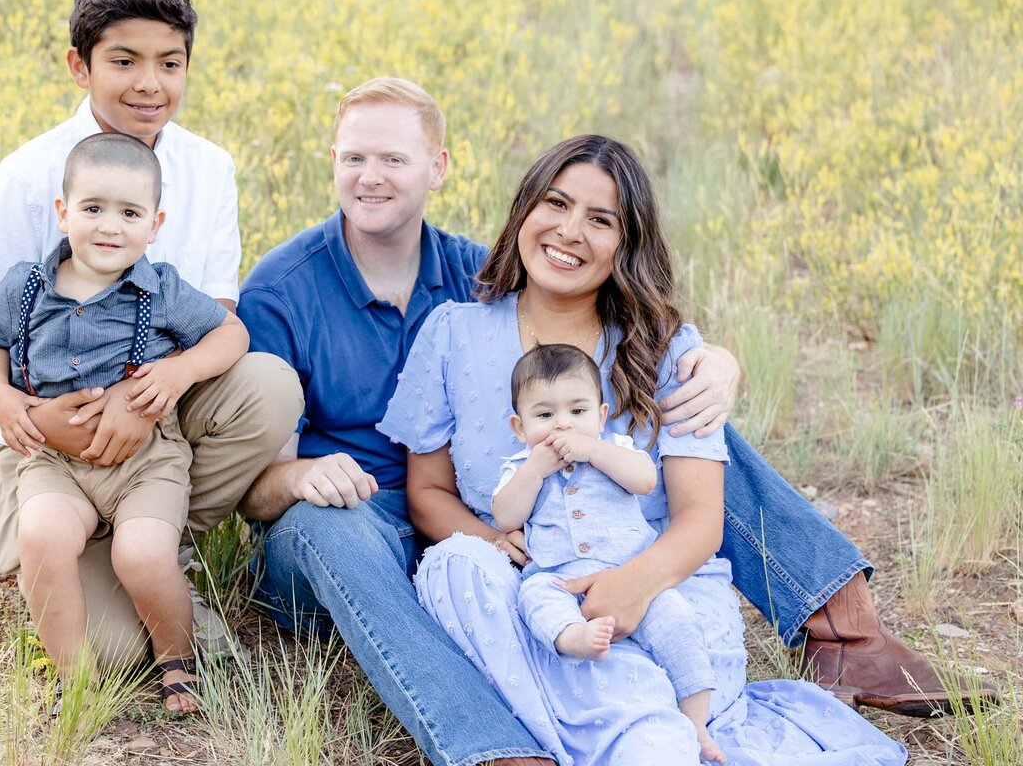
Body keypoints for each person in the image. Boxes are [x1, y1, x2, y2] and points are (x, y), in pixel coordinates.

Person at [239, 77, 978, 766]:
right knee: (399, 548)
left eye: (394, 158)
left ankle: (837, 621)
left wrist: (717, 363)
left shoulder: (476, 272)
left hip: (538, 530)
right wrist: (308, 477)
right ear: (330, 160)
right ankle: (496, 744)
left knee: (680, 402)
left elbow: (614, 329)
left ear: (437, 168)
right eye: (357, 157)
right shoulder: (293, 289)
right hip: (373, 522)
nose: (373, 176)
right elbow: (255, 482)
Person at [379, 134, 907, 764]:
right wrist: (499, 546)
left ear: (626, 245)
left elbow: (701, 520)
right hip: (532, 589)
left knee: (655, 657)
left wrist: (631, 586)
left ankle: (642, 732)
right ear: (524, 210)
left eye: (600, 220)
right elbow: (428, 492)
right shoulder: (452, 333)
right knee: (451, 566)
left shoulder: (666, 351)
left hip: (659, 586)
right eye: (556, 203)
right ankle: (633, 733)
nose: (570, 231)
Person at [0, 0, 302, 670]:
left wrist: (162, 386)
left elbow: (218, 318)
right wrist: (22, 411)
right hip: (34, 432)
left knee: (268, 385)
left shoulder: (208, 167)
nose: (149, 84)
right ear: (79, 66)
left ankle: (146, 536)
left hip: (151, 420)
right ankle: (110, 552)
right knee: (111, 654)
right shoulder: (29, 176)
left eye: (169, 64)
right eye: (123, 61)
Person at [0, 132, 249, 710]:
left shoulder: (162, 289)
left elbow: (232, 333)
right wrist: (0, 398)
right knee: (42, 535)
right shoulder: (26, 284)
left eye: (129, 213)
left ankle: (177, 661)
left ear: (155, 223)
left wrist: (178, 373)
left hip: (145, 461)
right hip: (56, 461)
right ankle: (76, 682)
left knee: (142, 554)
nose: (109, 226)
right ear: (62, 211)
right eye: (92, 208)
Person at [494, 344, 724, 764]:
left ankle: (696, 721)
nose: (563, 424)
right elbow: (505, 514)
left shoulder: (615, 447)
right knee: (534, 599)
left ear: (600, 416)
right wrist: (533, 470)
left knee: (677, 623)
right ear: (519, 426)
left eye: (577, 412)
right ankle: (573, 637)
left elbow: (645, 481)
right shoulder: (520, 464)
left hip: (629, 570)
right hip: (558, 574)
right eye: (544, 416)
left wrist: (596, 451)